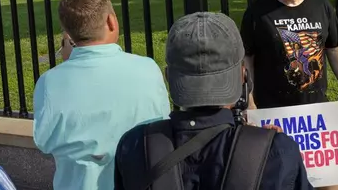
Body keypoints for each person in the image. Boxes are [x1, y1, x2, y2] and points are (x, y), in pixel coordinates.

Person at [114, 12, 313, 189]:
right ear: (243, 76)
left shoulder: (134, 146)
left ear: (169, 77)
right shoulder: (275, 150)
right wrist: (266, 145)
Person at [33, 0, 170, 190]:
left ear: (68, 35)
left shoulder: (49, 82)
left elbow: (44, 141)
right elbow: (162, 121)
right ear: (111, 21)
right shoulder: (147, 68)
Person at [240, 0, 338, 190]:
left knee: (332, 184)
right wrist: (250, 104)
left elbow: (335, 51)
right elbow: (246, 61)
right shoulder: (258, 13)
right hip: (274, 115)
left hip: (315, 114)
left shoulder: (321, 6)